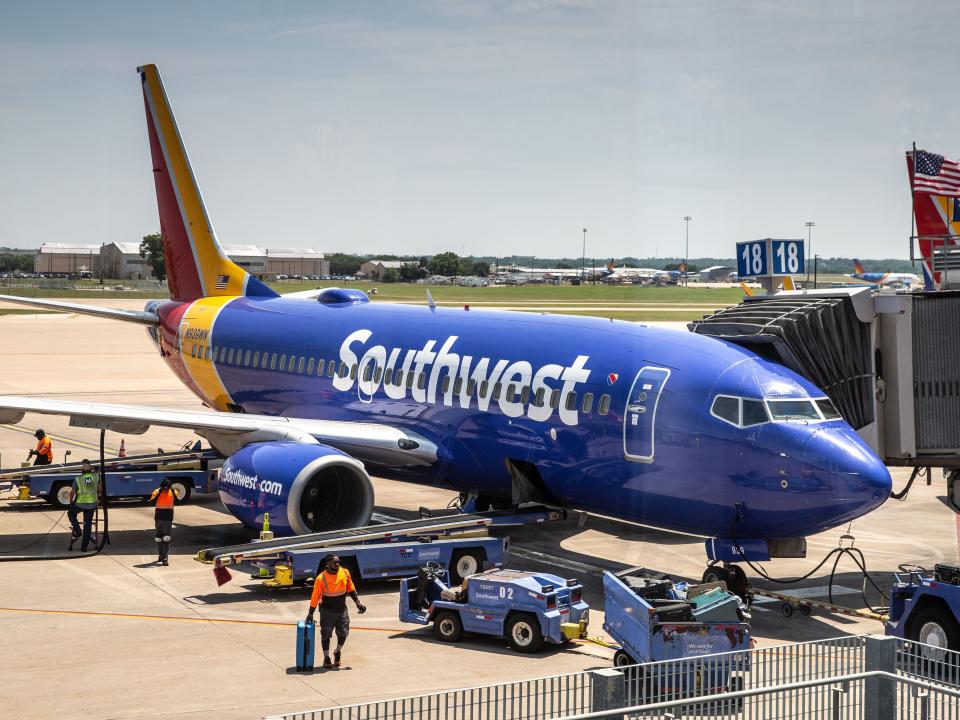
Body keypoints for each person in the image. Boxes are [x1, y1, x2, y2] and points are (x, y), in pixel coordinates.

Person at [305, 554, 366, 669]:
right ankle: (326, 657)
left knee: (343, 633)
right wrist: (310, 613)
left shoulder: (345, 572)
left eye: (338, 562)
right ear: (328, 564)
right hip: (327, 611)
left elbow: (351, 588)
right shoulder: (320, 579)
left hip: (342, 610)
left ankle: (337, 651)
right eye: (335, 562)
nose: (337, 564)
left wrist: (358, 603)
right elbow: (315, 597)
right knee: (326, 635)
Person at [67, 459, 98, 552]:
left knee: (71, 514)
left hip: (80, 504)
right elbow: (100, 489)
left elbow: (72, 492)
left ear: (82, 469)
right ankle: (84, 547)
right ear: (91, 468)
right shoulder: (96, 477)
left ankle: (78, 530)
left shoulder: (78, 479)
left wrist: (71, 502)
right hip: (92, 504)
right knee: (88, 526)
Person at [148, 478, 176, 565]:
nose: (165, 489)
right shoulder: (157, 491)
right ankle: (160, 556)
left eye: (167, 488)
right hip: (159, 516)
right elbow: (151, 502)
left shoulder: (173, 491)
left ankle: (165, 558)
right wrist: (159, 492)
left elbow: (178, 501)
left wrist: (174, 493)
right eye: (164, 488)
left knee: (166, 538)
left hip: (168, 517)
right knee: (158, 538)